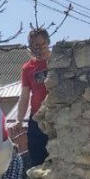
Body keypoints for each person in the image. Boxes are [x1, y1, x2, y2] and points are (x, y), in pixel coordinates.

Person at [16, 28, 51, 167]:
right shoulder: (28, 68)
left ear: (48, 43)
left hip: (55, 116)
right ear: (30, 47)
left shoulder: (58, 62)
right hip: (36, 118)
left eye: (42, 45)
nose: (40, 49)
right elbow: (24, 96)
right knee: (37, 158)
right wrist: (19, 119)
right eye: (35, 46)